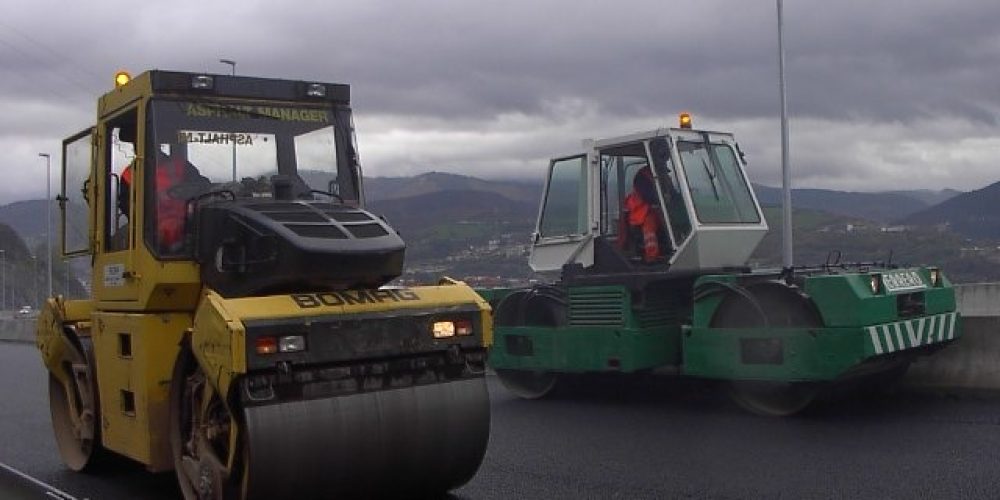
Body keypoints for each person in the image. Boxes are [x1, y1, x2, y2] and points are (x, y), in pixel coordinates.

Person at [121, 151, 208, 254]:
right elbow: (126, 204)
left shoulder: (180, 166)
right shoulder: (129, 174)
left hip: (186, 221)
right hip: (152, 229)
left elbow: (202, 186)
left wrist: (185, 193)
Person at [623, 166, 663, 263]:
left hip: (651, 209)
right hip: (640, 210)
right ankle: (651, 256)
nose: (664, 163)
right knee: (649, 231)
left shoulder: (661, 174)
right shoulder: (642, 177)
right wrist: (662, 198)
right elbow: (648, 195)